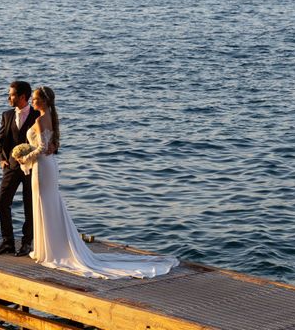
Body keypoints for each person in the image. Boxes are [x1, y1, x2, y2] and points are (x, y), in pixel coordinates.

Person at [15, 86, 178, 278]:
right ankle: (49, 248)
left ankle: (51, 250)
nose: (33, 102)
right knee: (49, 203)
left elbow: (42, 147)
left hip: (43, 166)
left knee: (46, 202)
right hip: (47, 165)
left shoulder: (41, 119)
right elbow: (48, 145)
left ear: (43, 101)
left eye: (35, 99)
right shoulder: (49, 116)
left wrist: (24, 158)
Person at [0, 81, 39, 256]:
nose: (8, 97)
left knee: (29, 205)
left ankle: (27, 243)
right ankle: (7, 243)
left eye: (11, 95)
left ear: (22, 97)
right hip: (11, 166)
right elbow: (1, 139)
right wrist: (2, 159)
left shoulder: (37, 115)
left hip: (32, 168)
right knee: (2, 202)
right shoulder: (7, 115)